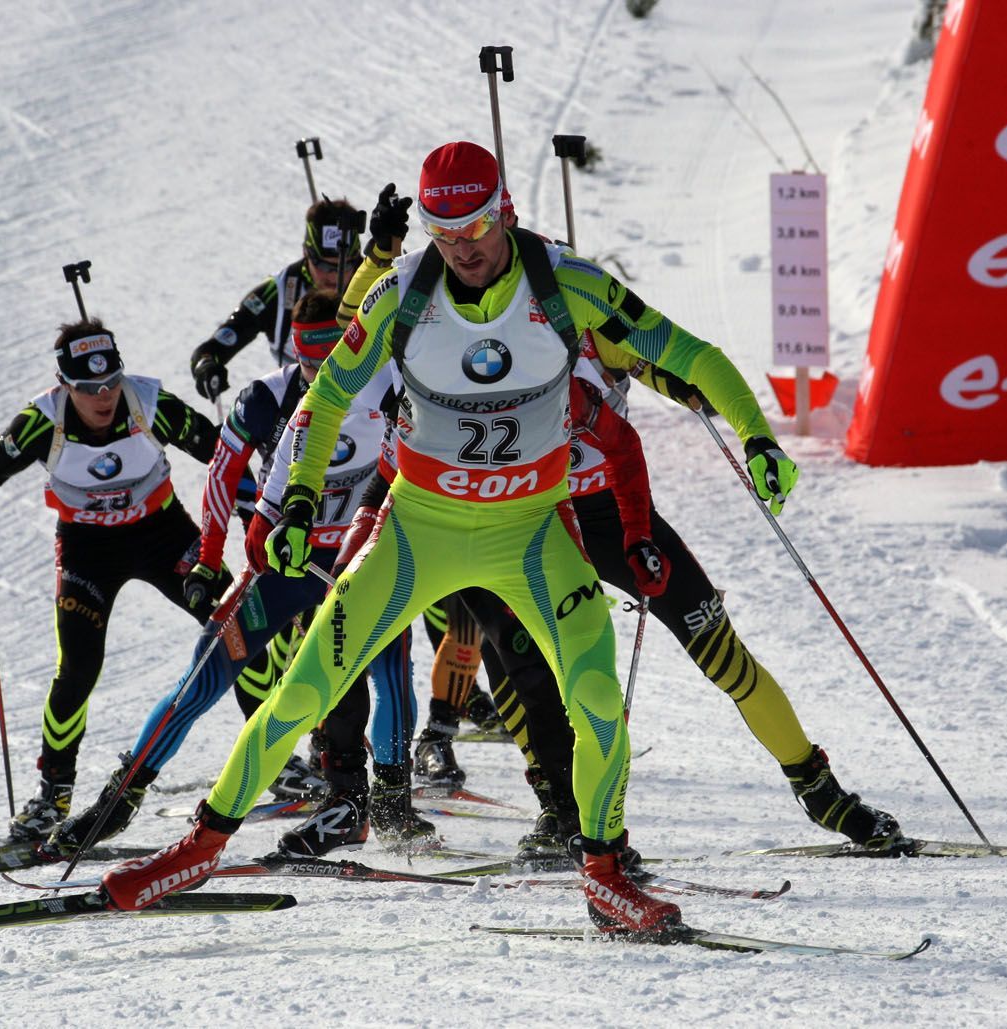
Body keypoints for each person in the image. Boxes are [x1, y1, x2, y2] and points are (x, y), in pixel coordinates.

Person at [101, 140, 787, 937]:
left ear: (507, 213)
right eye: (441, 230)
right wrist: (290, 504)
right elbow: (325, 402)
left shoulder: (569, 284)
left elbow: (688, 352)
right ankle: (199, 846)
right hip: (418, 530)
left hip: (531, 529)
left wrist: (758, 435)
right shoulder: (400, 294)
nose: (460, 248)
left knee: (596, 694)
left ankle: (602, 875)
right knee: (306, 688)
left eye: (473, 227)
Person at [340, 180, 904, 860]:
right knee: (522, 663)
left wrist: (734, 425)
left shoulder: (576, 307)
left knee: (719, 650)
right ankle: (561, 810)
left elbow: (665, 368)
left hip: (610, 510)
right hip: (521, 517)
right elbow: (370, 318)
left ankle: (820, 790)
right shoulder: (461, 327)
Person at [44, 290, 430, 858]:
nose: (325, 378)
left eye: (334, 364)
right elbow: (223, 475)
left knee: (385, 664)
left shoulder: (384, 382)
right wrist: (207, 556)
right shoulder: (266, 398)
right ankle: (117, 801)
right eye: (311, 366)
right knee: (205, 673)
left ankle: (385, 803)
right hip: (284, 564)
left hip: (359, 555)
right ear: (294, 355)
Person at [0, 319, 220, 841]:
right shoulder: (42, 421)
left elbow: (218, 447)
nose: (103, 397)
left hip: (163, 534)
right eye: (88, 389)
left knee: (237, 623)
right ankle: (53, 794)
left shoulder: (146, 403)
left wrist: (256, 493)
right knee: (77, 667)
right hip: (87, 549)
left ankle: (289, 764)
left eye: (110, 383)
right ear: (64, 386)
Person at [189, 198, 364, 400]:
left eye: (346, 264)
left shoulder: (375, 279)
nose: (335, 276)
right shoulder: (278, 293)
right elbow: (216, 345)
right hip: (305, 406)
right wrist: (207, 366)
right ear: (306, 253)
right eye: (324, 266)